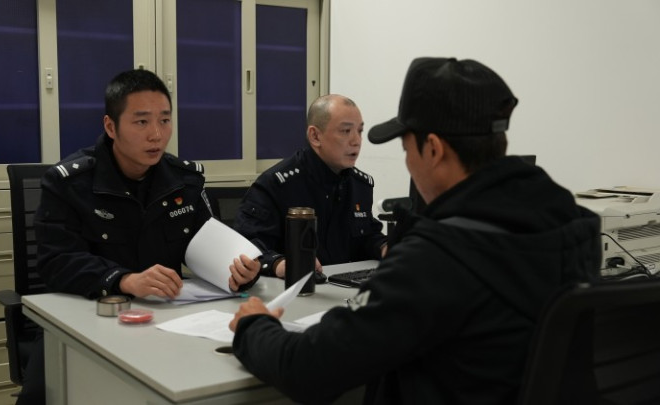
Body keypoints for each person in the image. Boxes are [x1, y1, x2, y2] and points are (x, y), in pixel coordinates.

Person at [229, 57, 601, 404]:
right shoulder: (573, 226)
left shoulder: (437, 256)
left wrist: (254, 325)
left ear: (433, 150)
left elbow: (306, 369)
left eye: (407, 149)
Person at [16, 69, 261, 404]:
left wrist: (238, 270)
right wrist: (124, 280)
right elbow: (55, 262)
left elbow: (209, 246)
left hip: (167, 319)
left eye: (165, 120)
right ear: (111, 127)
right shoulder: (69, 183)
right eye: (142, 122)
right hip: (89, 318)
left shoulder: (184, 180)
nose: (156, 135)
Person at [234, 94, 388, 278]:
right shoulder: (277, 184)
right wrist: (280, 264)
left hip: (343, 286)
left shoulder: (359, 185)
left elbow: (366, 236)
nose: (356, 141)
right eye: (346, 131)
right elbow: (247, 245)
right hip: (292, 288)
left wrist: (386, 247)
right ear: (315, 136)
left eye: (360, 131)